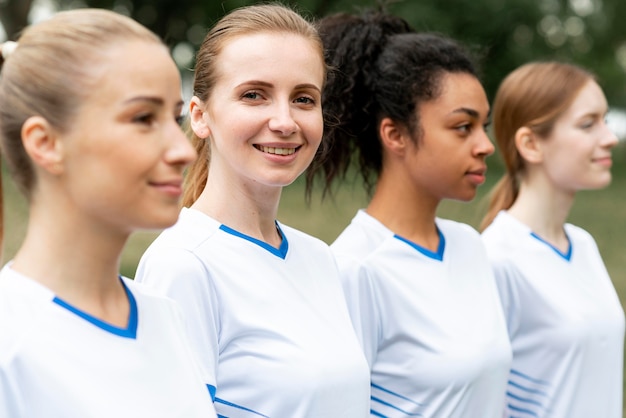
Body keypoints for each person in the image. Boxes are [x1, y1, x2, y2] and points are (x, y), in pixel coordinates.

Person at [134, 4, 370, 418]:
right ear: (201, 115)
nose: (284, 121)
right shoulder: (183, 265)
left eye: (303, 98)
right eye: (254, 95)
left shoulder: (321, 259)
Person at [0, 9, 218, 418]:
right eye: (143, 119)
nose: (184, 150)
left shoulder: (165, 316)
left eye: (174, 119)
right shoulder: (8, 344)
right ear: (45, 143)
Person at [306, 10, 512, 418]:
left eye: (483, 126)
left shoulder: (470, 246)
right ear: (395, 135)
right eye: (462, 127)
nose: (485, 145)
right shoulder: (354, 267)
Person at [480, 61, 625, 418]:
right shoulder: (495, 256)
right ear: (531, 144)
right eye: (588, 124)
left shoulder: (584, 244)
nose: (609, 137)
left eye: (605, 121)